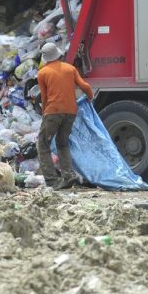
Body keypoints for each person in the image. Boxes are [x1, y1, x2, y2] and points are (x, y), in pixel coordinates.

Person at [36, 42, 94, 189]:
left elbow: (44, 97)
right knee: (62, 143)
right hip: (71, 112)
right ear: (58, 54)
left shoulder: (42, 73)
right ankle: (68, 175)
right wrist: (90, 97)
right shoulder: (70, 68)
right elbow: (85, 86)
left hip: (53, 112)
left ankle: (52, 180)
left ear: (45, 57)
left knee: (43, 144)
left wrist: (45, 112)